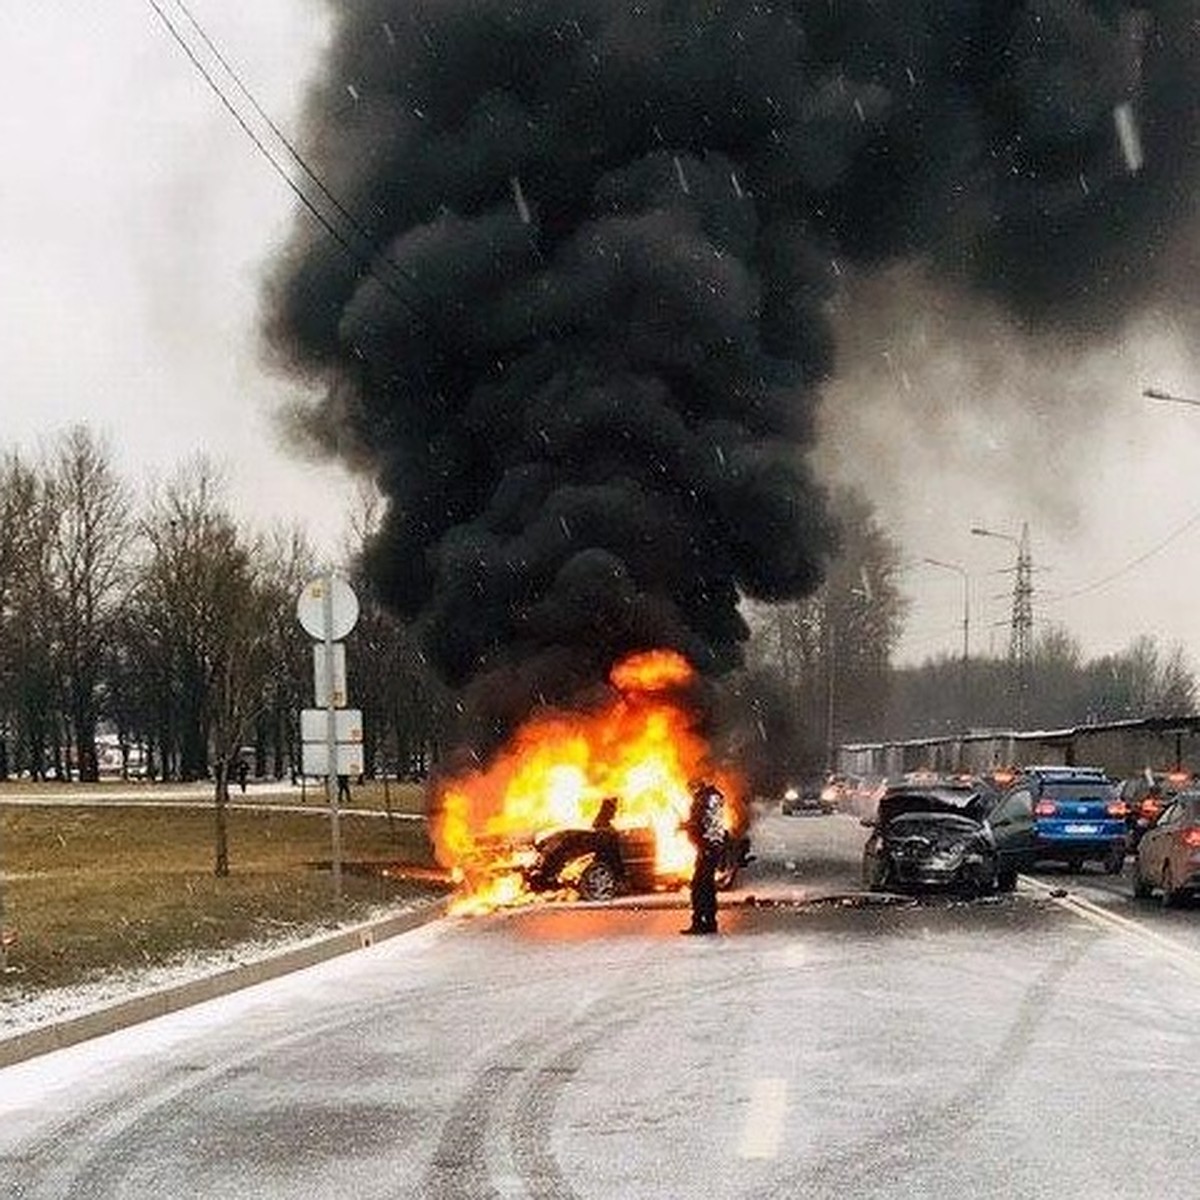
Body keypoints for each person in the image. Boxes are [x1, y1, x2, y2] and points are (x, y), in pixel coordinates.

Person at [681, 779, 726, 935]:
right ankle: (709, 921)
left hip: (707, 850)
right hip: (709, 848)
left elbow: (704, 824)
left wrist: (687, 826)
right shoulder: (711, 799)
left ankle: (699, 922)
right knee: (706, 887)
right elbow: (706, 823)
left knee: (699, 887)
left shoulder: (704, 800)